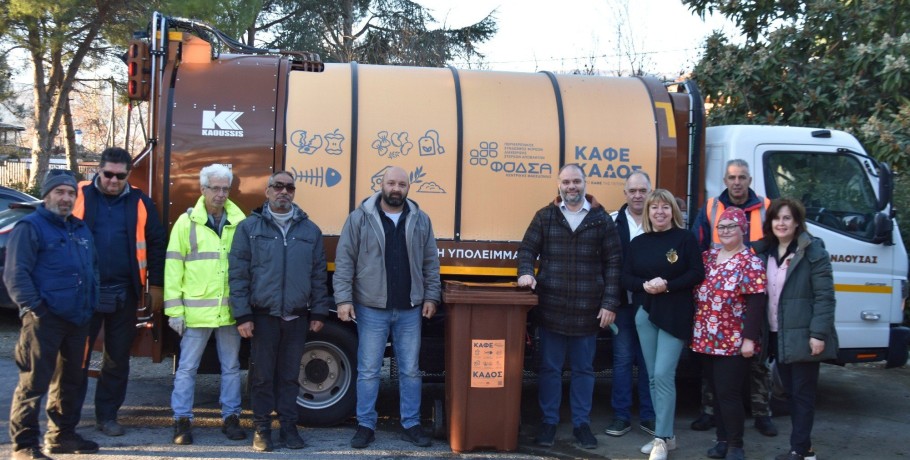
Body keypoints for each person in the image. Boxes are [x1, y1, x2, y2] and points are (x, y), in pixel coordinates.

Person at [517, 163, 622, 450]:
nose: (571, 187)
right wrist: (526, 271)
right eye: (566, 182)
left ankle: (581, 425)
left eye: (576, 181)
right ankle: (549, 423)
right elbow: (527, 250)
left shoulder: (601, 220)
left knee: (583, 370)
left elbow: (614, 263)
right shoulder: (545, 216)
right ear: (559, 185)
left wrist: (610, 302)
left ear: (585, 183)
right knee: (549, 369)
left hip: (588, 310)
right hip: (551, 308)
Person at [335, 166, 441, 449]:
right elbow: (345, 260)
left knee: (410, 370)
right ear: (381, 184)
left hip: (409, 308)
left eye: (402, 184)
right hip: (371, 308)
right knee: (369, 370)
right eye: (391, 183)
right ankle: (365, 425)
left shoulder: (420, 220)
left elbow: (431, 262)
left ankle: (411, 424)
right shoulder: (360, 218)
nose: (396, 188)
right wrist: (343, 299)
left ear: (408, 188)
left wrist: (431, 297)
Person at [229, 170, 331, 452]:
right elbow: (238, 275)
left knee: (289, 376)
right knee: (262, 376)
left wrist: (320, 311)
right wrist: (243, 315)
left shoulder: (310, 231)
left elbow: (317, 275)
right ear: (268, 191)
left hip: (297, 316)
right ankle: (262, 429)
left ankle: (288, 427)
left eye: (289, 187)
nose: (284, 192)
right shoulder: (249, 228)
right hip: (263, 316)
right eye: (278, 187)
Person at [72, 147, 166, 437]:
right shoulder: (78, 194)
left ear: (128, 175)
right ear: (99, 170)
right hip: (82, 293)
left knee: (117, 359)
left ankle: (108, 416)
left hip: (124, 293)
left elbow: (156, 245)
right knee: (75, 357)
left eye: (120, 176)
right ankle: (66, 418)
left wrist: (156, 286)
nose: (113, 180)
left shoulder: (140, 202)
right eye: (108, 174)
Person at [6, 170, 100, 459]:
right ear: (47, 195)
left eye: (71, 193)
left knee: (71, 382)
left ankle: (62, 436)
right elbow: (15, 275)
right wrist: (37, 308)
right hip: (43, 321)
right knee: (33, 384)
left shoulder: (80, 229)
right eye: (60, 192)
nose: (66, 198)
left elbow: (92, 269)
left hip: (78, 320)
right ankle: (24, 446)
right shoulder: (30, 227)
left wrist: (90, 303)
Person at [690, 159, 777, 437]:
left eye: (741, 177)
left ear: (749, 180)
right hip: (718, 298)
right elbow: (698, 241)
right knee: (715, 373)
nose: (736, 182)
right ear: (725, 181)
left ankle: (761, 412)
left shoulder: (766, 206)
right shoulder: (712, 207)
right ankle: (709, 412)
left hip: (755, 290)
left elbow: (779, 241)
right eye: (731, 177)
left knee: (757, 359)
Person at [165, 164, 246, 445]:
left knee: (232, 368)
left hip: (229, 313)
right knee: (187, 368)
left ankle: (231, 418)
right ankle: (181, 421)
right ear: (203, 190)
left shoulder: (239, 221)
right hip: (195, 313)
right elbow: (173, 269)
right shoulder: (186, 224)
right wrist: (174, 311)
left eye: (226, 188)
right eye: (215, 188)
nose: (221, 194)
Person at [623, 188, 704, 460]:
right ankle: (667, 437)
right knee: (652, 377)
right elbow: (626, 277)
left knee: (662, 375)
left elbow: (696, 273)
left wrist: (668, 285)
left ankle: (660, 439)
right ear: (648, 212)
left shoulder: (685, 239)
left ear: (674, 211)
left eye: (665, 207)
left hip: (675, 315)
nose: (660, 212)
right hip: (645, 314)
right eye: (654, 207)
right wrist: (644, 285)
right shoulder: (638, 242)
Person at [753, 198, 837, 460]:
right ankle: (804, 447)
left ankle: (801, 450)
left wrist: (818, 335)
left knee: (802, 395)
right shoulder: (764, 251)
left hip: (803, 335)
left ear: (798, 222)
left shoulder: (814, 254)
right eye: (777, 218)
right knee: (788, 393)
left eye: (787, 218)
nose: (781, 223)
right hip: (776, 334)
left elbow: (825, 298)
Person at [692, 207, 767, 460]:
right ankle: (722, 441)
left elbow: (757, 304)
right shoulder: (708, 258)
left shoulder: (750, 261)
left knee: (729, 394)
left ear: (742, 230)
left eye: (731, 226)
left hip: (733, 341)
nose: (725, 231)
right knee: (716, 392)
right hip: (706, 337)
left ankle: (736, 445)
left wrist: (749, 339)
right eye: (721, 227)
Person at [605, 170, 656, 438]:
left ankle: (649, 416)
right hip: (622, 306)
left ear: (650, 192)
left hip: (651, 306)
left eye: (642, 190)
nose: (638, 195)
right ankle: (621, 416)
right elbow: (604, 264)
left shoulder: (659, 221)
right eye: (632, 191)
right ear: (625, 194)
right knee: (623, 360)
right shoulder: (612, 222)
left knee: (650, 362)